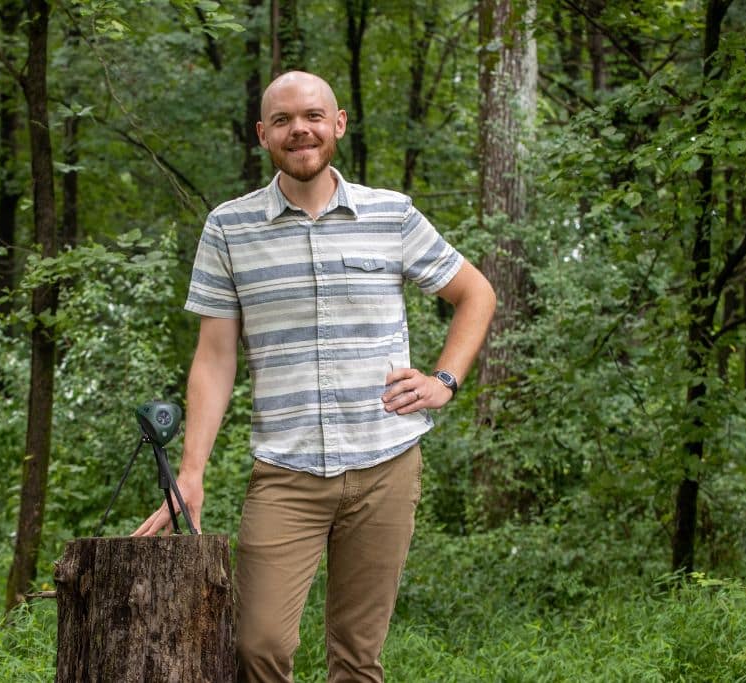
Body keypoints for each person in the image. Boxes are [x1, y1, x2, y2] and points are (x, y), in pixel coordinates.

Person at [134, 71, 496, 682]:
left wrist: (445, 380)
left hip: (386, 463)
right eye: (282, 120)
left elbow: (476, 293)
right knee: (257, 646)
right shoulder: (229, 228)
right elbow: (215, 357)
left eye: (311, 116)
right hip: (285, 472)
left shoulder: (391, 214)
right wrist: (191, 474)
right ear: (262, 135)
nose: (299, 129)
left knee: (358, 660)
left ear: (338, 124)